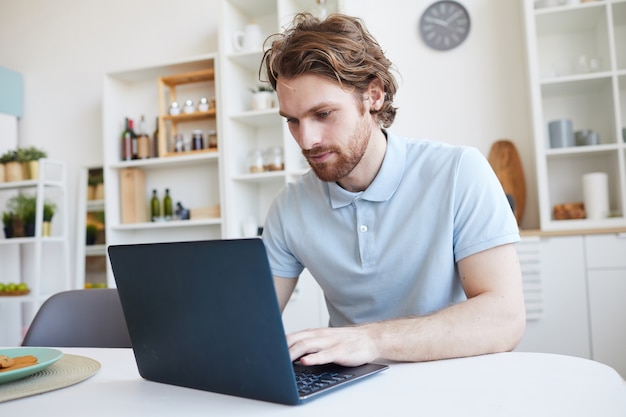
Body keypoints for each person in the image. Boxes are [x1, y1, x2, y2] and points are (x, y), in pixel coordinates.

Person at [260, 12, 526, 367]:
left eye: (323, 114)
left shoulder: (459, 171)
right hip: (347, 389)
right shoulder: (289, 207)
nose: (306, 140)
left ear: (373, 95)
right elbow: (251, 323)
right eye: (292, 120)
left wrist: (370, 340)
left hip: (451, 377)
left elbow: (505, 319)